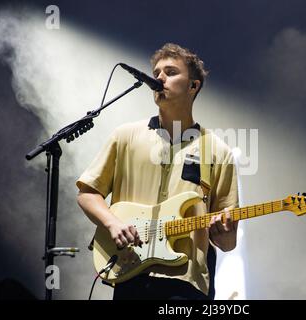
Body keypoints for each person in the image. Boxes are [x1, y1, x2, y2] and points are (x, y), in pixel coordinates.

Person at [76, 43, 239, 300]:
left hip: (186, 283)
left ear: (193, 86)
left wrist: (225, 232)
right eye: (156, 73)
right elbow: (87, 193)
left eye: (171, 72)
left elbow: (228, 244)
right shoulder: (125, 136)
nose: (160, 78)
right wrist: (112, 223)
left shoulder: (218, 151)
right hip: (130, 272)